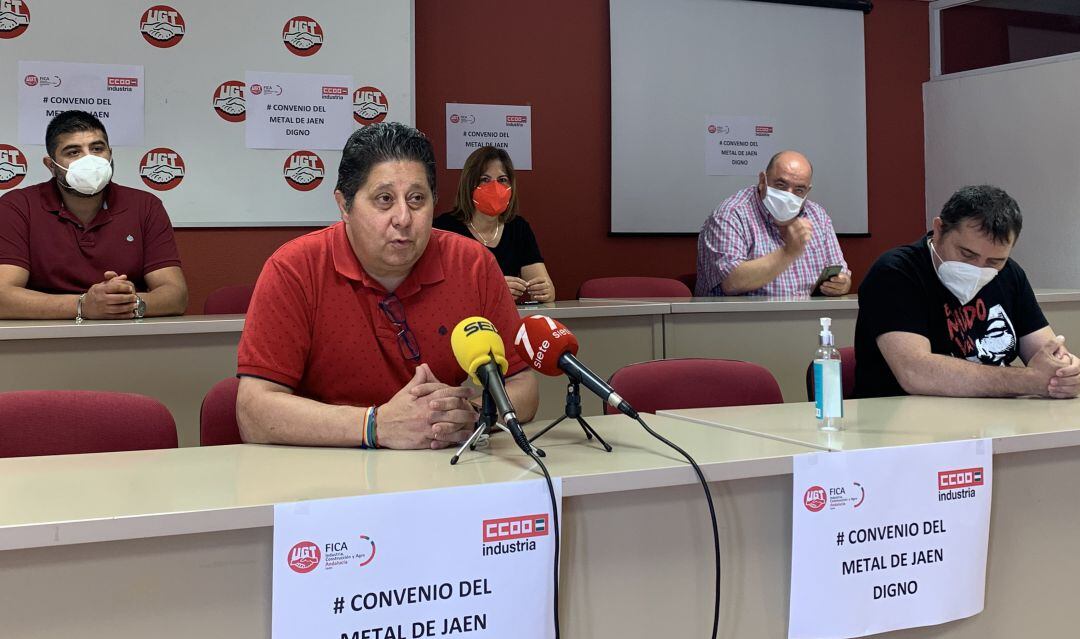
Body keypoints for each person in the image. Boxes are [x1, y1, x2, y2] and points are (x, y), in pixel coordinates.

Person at [236, 123, 539, 449]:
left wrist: (472, 413)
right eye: (384, 199)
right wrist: (375, 425)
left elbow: (524, 386)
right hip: (327, 468)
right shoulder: (295, 269)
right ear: (344, 205)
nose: (403, 218)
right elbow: (253, 412)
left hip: (441, 466)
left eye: (417, 199)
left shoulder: (473, 265)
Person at [854, 184, 1080, 399]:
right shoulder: (896, 272)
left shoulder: (1010, 274)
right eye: (967, 254)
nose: (978, 269)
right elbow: (916, 372)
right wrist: (1027, 380)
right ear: (940, 229)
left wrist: (1065, 373)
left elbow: (1048, 354)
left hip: (996, 420)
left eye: (994, 261)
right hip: (908, 424)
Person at [0, 110, 187, 320]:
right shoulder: (17, 206)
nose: (89, 160)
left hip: (127, 336)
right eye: (73, 152)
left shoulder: (145, 205)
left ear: (110, 154)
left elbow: (176, 295)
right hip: (47, 339)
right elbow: (3, 297)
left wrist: (124, 303)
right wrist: (84, 305)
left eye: (97, 149)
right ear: (51, 165)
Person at [695, 150, 850, 297]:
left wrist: (842, 284)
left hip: (806, 319)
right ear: (763, 180)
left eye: (799, 190)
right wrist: (787, 253)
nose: (788, 195)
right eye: (781, 185)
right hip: (740, 320)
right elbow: (732, 281)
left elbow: (841, 272)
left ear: (807, 191)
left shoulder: (818, 216)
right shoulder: (731, 214)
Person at [432, 146, 555, 302]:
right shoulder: (444, 228)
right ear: (469, 184)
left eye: (502, 180)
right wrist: (492, 288)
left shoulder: (518, 227)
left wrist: (546, 291)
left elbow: (544, 285)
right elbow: (437, 292)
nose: (495, 187)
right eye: (485, 179)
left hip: (506, 321)